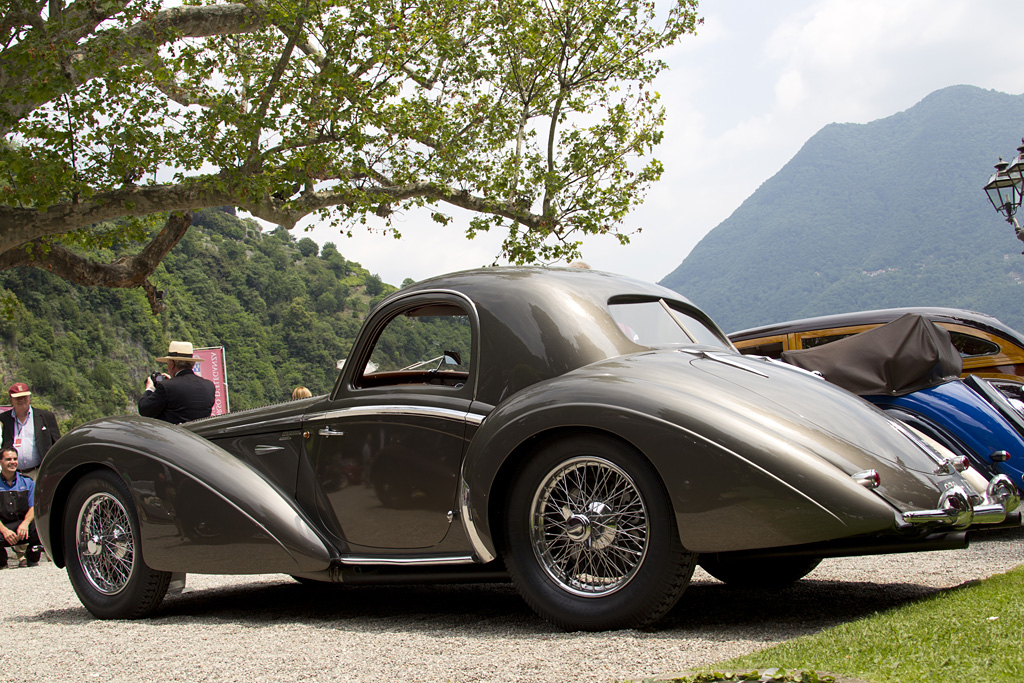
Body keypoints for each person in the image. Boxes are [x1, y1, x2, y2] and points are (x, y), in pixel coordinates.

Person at [138, 341, 216, 424]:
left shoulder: (167, 386)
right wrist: (172, 381)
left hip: (173, 435)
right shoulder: (209, 386)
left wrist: (149, 389)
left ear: (172, 364)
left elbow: (145, 410)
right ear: (192, 364)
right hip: (200, 435)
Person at [0, 383, 61, 479]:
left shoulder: (46, 417)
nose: (22, 400)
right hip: (12, 476)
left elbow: (57, 444)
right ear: (11, 400)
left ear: (29, 397)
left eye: (24, 396)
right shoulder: (3, 419)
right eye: (18, 398)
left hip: (39, 473)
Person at [0, 447, 42, 568]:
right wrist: (4, 530)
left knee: (38, 524)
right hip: (3, 527)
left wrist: (25, 523)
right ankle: (2, 563)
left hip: (22, 525)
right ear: (0, 462)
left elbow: (33, 507)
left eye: (15, 459)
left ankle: (32, 560)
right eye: (8, 459)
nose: (12, 462)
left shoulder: (28, 482)